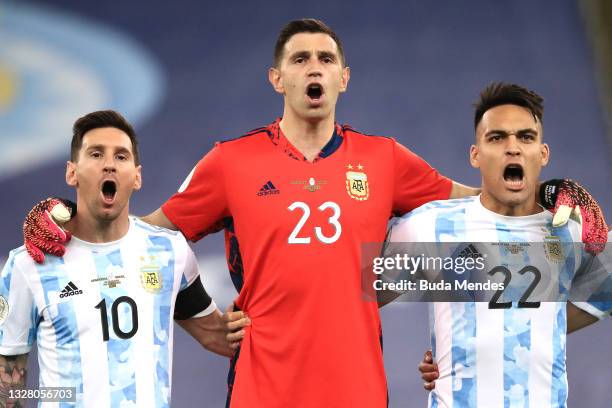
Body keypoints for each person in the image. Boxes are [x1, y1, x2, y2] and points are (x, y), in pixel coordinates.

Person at [21, 21, 607, 408]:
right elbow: (141, 234)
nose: (314, 67)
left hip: (359, 392)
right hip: (261, 391)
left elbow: (479, 198)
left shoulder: (384, 159)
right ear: (278, 78)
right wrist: (64, 220)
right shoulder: (230, 162)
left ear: (344, 79)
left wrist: (553, 194)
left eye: (327, 58)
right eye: (300, 59)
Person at [385, 83, 611, 407]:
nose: (513, 148)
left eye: (525, 137)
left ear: (543, 154)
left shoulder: (569, 230)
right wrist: (455, 350)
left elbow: (573, 309)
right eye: (497, 137)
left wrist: (511, 343)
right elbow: (356, 295)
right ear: (475, 155)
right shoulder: (431, 226)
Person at [0, 111, 235, 407]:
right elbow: (8, 388)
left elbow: (216, 334)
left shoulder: (169, 251)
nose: (109, 163)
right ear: (72, 172)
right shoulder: (29, 263)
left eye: (121, 156)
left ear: (137, 176)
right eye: (96, 154)